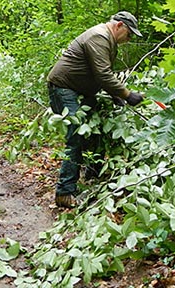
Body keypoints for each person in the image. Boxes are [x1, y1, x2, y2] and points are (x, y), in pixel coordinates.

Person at [47, 11, 145, 208]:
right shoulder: (99, 36)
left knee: (95, 131)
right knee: (75, 135)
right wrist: (127, 94)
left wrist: (114, 94)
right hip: (64, 88)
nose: (129, 38)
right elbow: (103, 74)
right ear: (119, 26)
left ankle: (93, 177)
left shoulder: (108, 40)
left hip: (81, 90)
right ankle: (64, 193)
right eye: (129, 33)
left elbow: (99, 72)